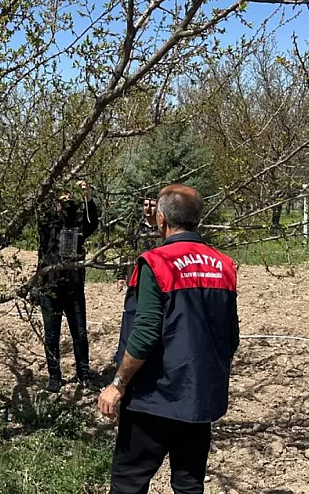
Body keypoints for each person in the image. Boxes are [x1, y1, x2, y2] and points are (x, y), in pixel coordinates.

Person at [97, 184, 239, 494]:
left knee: (129, 483)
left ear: (161, 219)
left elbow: (146, 331)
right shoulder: (224, 266)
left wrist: (117, 385)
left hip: (154, 399)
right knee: (188, 485)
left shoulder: (156, 263)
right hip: (199, 399)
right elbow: (231, 337)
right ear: (198, 219)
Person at [36, 180, 100, 393]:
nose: (65, 200)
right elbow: (39, 206)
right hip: (50, 287)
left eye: (68, 196)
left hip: (74, 287)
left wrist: (87, 195)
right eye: (61, 197)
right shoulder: (47, 224)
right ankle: (55, 377)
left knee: (80, 333)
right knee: (51, 336)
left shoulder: (78, 222)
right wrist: (52, 190)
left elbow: (93, 221)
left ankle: (84, 374)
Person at [114, 195, 159, 365]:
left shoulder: (163, 229)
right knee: (130, 318)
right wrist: (121, 275)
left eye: (152, 205)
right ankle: (123, 357)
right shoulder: (135, 229)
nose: (148, 208)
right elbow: (126, 252)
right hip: (135, 280)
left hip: (156, 283)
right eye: (146, 205)